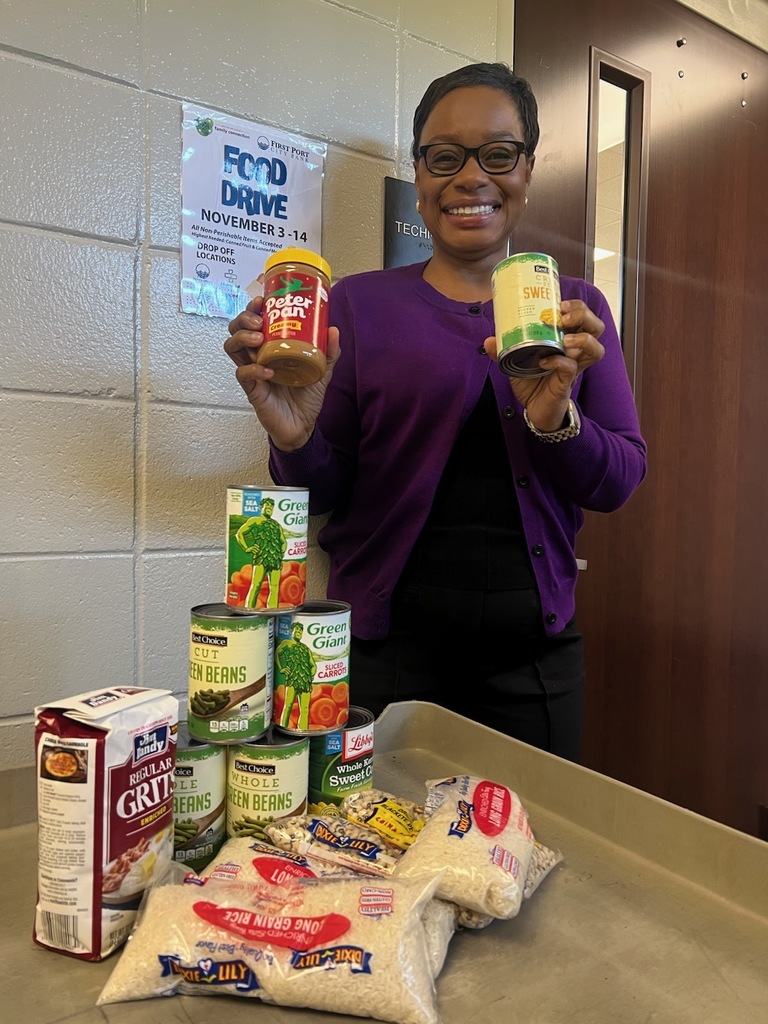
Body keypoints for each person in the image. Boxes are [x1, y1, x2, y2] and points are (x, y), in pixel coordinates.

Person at [224, 62, 647, 761]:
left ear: (528, 170)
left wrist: (555, 424)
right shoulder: (357, 306)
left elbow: (620, 478)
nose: (471, 176)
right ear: (420, 179)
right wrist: (293, 436)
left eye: (499, 154)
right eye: (444, 157)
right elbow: (320, 491)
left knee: (521, 859)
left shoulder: (576, 311)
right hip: (383, 658)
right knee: (370, 859)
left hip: (532, 662)